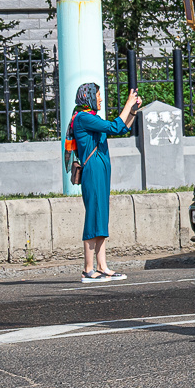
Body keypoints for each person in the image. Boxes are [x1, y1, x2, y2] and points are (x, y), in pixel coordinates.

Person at [70, 81, 143, 283]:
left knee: (101, 216)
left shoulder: (92, 118)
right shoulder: (84, 118)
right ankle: (88, 269)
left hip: (100, 171)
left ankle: (102, 266)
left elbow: (121, 128)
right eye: (99, 95)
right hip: (93, 171)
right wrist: (128, 103)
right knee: (93, 215)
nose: (101, 99)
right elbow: (114, 126)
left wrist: (133, 110)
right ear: (89, 97)